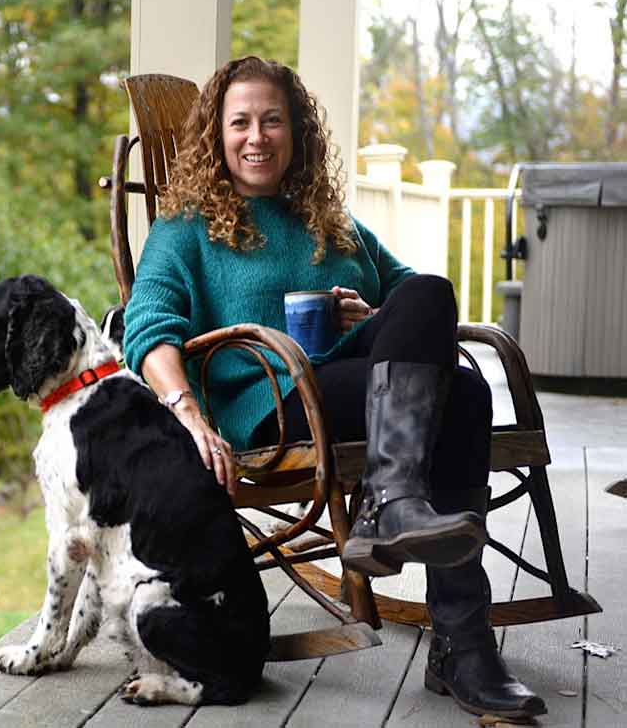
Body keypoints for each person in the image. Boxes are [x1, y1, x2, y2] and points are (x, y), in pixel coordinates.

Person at [123, 56, 546, 720]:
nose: (256, 136)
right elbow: (148, 327)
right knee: (458, 392)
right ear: (217, 135)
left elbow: (415, 298)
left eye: (272, 120)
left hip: (351, 388)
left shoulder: (329, 217)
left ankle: (449, 620)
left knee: (450, 353)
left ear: (297, 132)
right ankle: (436, 592)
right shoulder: (187, 229)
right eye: (240, 122)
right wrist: (185, 410)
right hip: (274, 402)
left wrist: (371, 315)